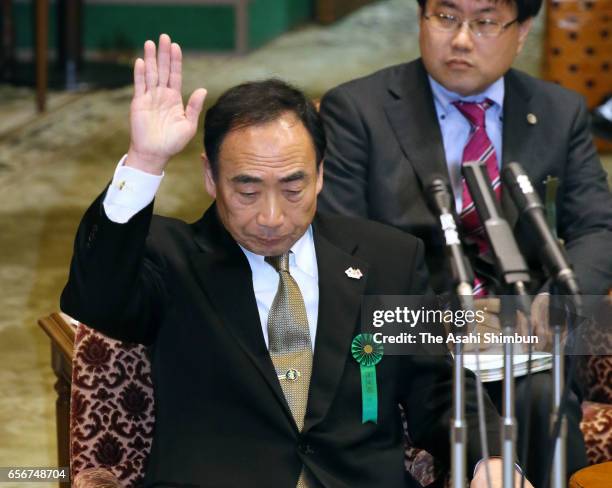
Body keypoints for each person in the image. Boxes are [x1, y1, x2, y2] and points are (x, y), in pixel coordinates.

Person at [61, 34, 533, 487]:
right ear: (210, 176)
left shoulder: (387, 258)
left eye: (293, 188)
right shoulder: (170, 257)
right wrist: (145, 161)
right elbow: (97, 297)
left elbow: (439, 389)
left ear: (321, 174)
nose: (271, 216)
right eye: (247, 189)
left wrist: (490, 458)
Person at [318, 0, 612, 485]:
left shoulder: (560, 112)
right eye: (446, 17)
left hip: (525, 335)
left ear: (522, 31)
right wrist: (441, 321)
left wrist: (559, 300)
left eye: (486, 22)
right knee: (459, 402)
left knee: (543, 395)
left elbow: (597, 227)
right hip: (412, 335)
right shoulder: (357, 111)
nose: (460, 39)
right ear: (420, 18)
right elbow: (341, 249)